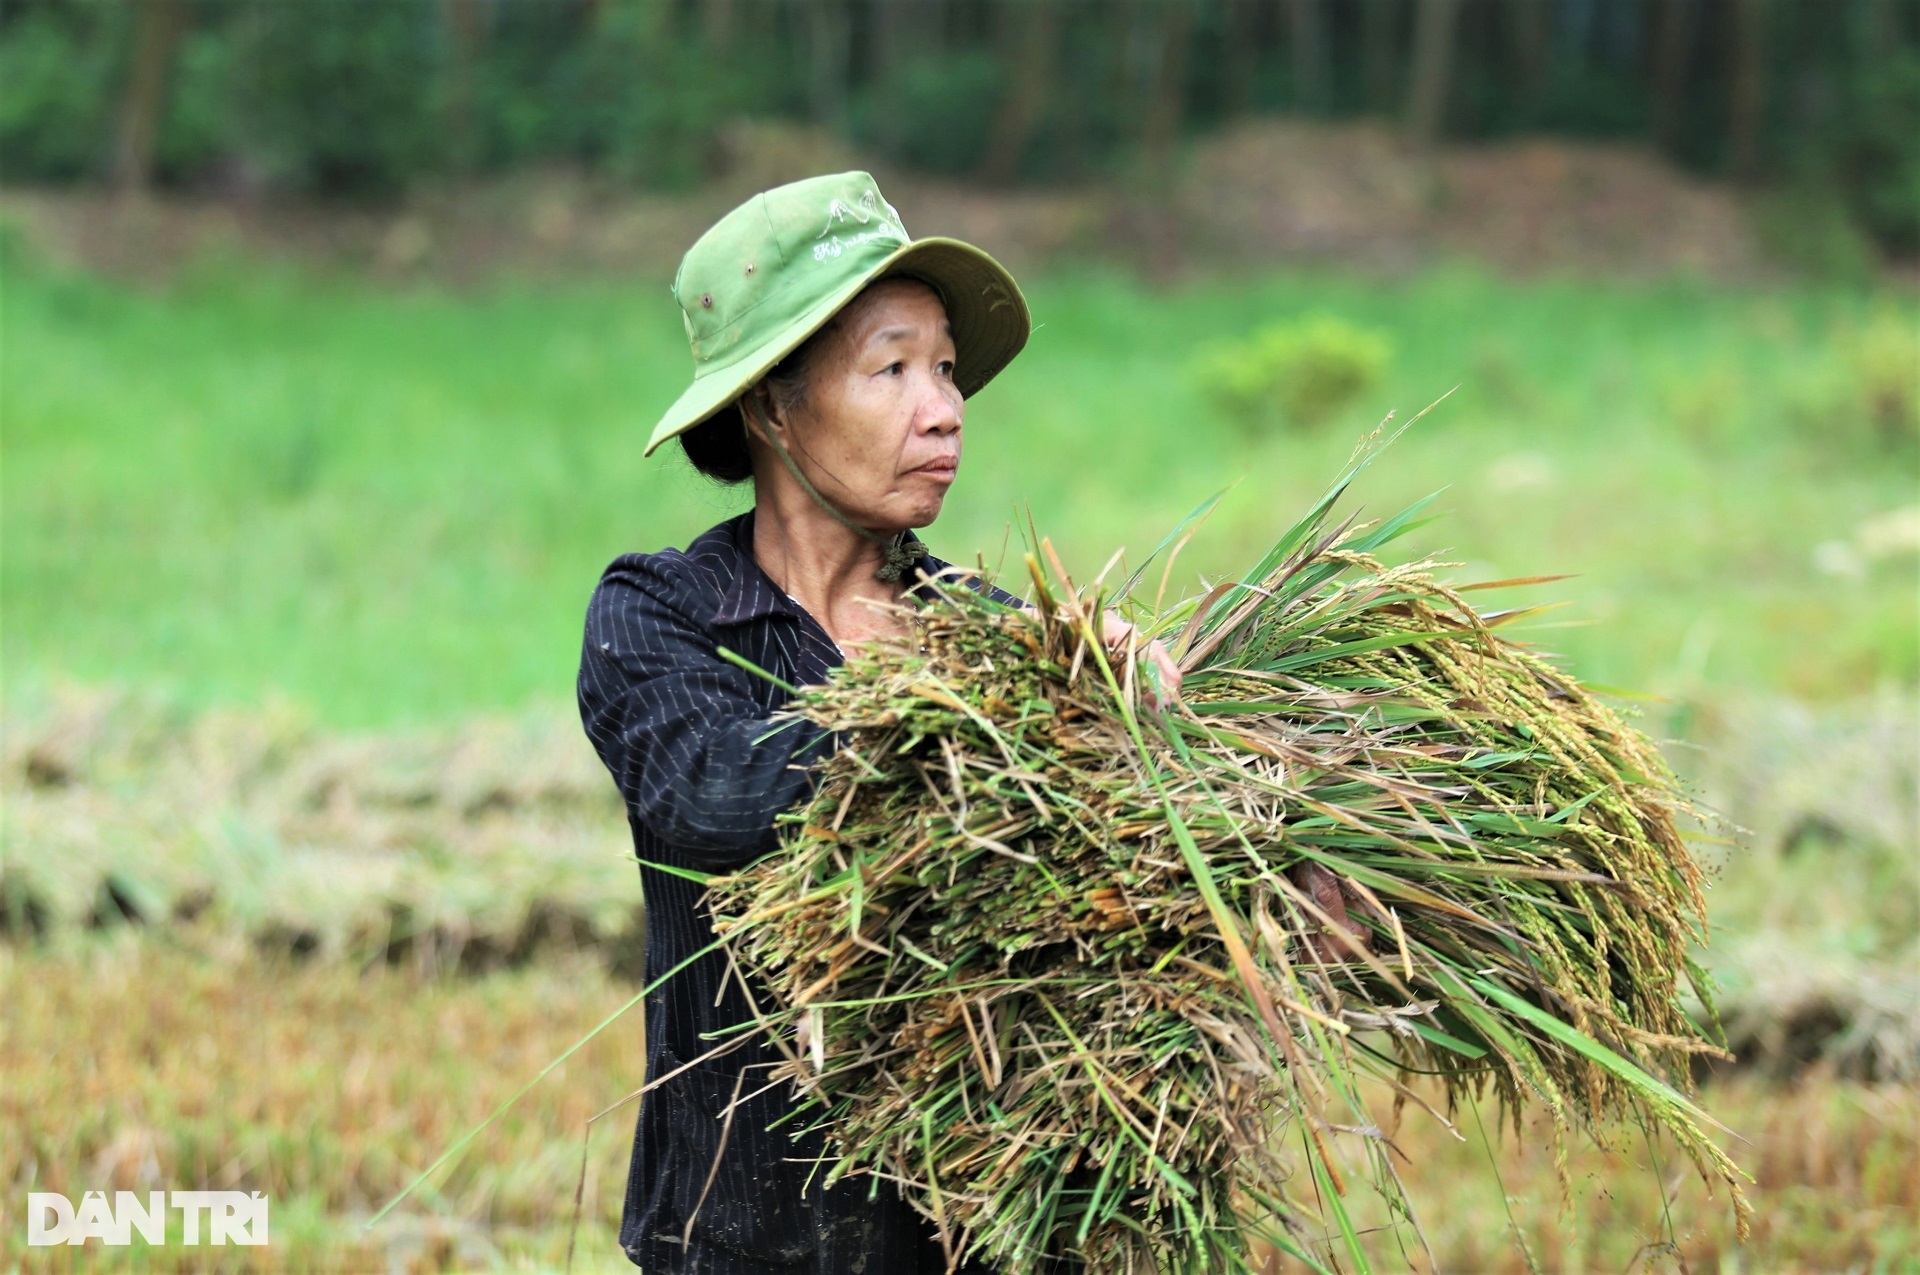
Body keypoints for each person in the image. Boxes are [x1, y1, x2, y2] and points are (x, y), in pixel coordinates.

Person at [577, 172, 1180, 1274]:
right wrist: (975, 699)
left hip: (977, 1239)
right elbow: (719, 802)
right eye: (891, 367)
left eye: (946, 369)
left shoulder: (1002, 641)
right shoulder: (664, 617)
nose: (943, 407)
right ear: (770, 406)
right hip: (742, 1238)